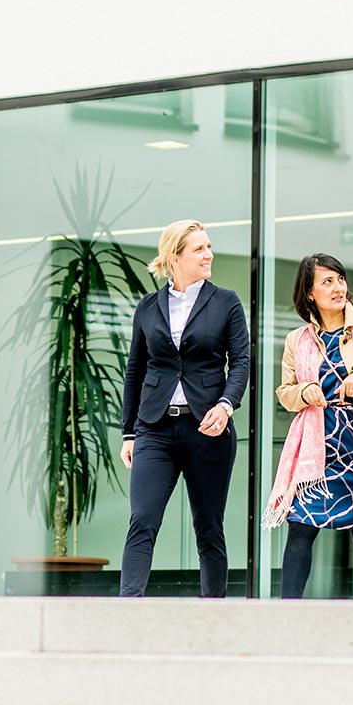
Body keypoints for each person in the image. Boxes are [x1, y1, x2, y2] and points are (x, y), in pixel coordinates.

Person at [263, 253, 353, 600]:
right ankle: (288, 613)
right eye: (327, 281)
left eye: (340, 279)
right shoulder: (296, 340)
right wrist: (305, 391)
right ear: (309, 292)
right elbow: (285, 393)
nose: (338, 287)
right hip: (315, 448)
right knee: (300, 527)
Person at [119, 220, 250, 597]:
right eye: (199, 249)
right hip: (154, 430)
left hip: (207, 429)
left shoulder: (226, 302)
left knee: (208, 526)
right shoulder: (148, 306)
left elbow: (240, 361)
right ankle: (127, 608)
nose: (209, 255)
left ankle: (213, 613)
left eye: (208, 247)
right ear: (174, 257)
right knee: (142, 519)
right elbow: (136, 369)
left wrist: (226, 406)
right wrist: (129, 431)